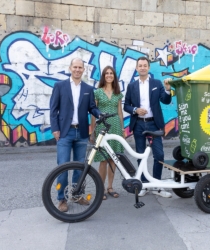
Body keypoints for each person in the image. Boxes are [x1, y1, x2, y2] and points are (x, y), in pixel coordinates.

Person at [50, 58, 101, 212]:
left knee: (80, 168)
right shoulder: (60, 86)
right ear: (70, 68)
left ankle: (77, 195)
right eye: (75, 67)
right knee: (63, 168)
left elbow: (92, 108)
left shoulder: (88, 88)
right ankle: (62, 199)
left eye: (80, 67)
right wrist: (55, 129)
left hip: (82, 132)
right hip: (65, 132)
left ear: (83, 70)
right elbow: (53, 109)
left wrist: (100, 114)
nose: (78, 70)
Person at [124, 56, 172, 198]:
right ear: (136, 68)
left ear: (149, 68)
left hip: (154, 124)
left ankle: (157, 185)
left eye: (145, 65)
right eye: (140, 65)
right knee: (140, 156)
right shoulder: (132, 86)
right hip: (138, 124)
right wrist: (135, 110)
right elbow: (126, 105)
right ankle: (144, 184)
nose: (143, 68)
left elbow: (166, 100)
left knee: (159, 155)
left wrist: (168, 90)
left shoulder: (156, 83)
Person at [90, 66, 125, 200]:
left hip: (115, 126)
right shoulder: (98, 92)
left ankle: (110, 187)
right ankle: (101, 188)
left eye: (111, 73)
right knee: (103, 159)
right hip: (102, 127)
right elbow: (94, 113)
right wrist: (92, 131)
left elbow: (120, 112)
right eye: (107, 73)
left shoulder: (117, 93)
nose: (109, 75)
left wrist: (122, 129)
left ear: (114, 76)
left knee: (113, 158)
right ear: (103, 76)